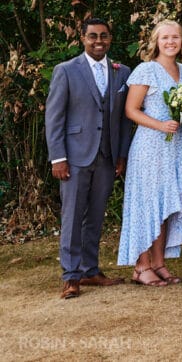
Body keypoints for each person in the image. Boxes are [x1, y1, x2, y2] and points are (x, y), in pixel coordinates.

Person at [46, 17, 133, 299]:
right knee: (72, 217)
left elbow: (123, 120)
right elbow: (54, 118)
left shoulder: (122, 72)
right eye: (93, 36)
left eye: (104, 36)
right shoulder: (66, 70)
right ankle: (71, 276)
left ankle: (90, 269)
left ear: (110, 38)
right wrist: (57, 158)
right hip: (74, 156)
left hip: (107, 156)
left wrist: (121, 155)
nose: (99, 41)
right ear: (83, 38)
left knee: (95, 216)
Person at [117, 19, 182, 286]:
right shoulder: (147, 69)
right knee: (146, 204)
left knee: (166, 205)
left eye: (175, 37)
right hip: (149, 146)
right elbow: (131, 110)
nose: (171, 42)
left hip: (175, 147)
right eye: (165, 37)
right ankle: (141, 266)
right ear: (156, 42)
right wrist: (160, 125)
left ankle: (159, 263)